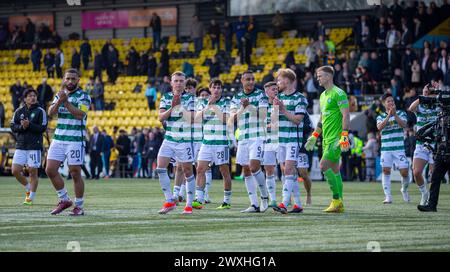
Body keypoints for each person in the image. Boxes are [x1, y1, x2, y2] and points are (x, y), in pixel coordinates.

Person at [45, 68, 91, 216]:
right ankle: (64, 199)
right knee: (50, 170)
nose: (70, 81)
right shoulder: (59, 94)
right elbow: (50, 113)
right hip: (58, 138)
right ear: (64, 79)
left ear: (78, 80)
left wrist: (65, 102)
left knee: (75, 172)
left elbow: (80, 115)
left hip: (75, 140)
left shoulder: (84, 96)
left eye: (73, 79)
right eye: (68, 78)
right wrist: (59, 101)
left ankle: (79, 206)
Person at [305, 65, 350, 213]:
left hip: (336, 139)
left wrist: (344, 135)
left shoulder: (339, 93)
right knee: (335, 171)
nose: (318, 78)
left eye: (320, 75)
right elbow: (323, 118)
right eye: (317, 76)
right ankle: (340, 203)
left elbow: (346, 115)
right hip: (326, 139)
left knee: (323, 166)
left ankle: (336, 199)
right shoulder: (323, 95)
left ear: (329, 77)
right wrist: (315, 135)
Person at [156, 71, 197, 215]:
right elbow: (160, 117)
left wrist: (179, 107)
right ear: (171, 83)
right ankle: (169, 201)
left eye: (181, 81)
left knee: (187, 171)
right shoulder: (166, 97)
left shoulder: (191, 99)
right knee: (160, 168)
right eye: (176, 81)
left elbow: (193, 118)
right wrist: (172, 107)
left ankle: (189, 205)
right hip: (169, 138)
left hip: (184, 140)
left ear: (185, 83)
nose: (179, 83)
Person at [230, 70, 269, 213]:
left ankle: (264, 196)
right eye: (248, 79)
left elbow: (264, 115)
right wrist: (243, 108)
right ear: (242, 80)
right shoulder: (236, 97)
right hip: (243, 137)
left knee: (253, 167)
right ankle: (254, 204)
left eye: (252, 79)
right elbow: (233, 118)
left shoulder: (260, 95)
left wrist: (250, 107)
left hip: (257, 136)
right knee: (246, 169)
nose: (251, 81)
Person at [271, 69, 308, 214]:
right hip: (280, 139)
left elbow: (298, 120)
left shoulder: (300, 98)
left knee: (288, 170)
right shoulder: (278, 98)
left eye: (279, 80)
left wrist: (283, 109)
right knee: (287, 171)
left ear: (287, 81)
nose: (277, 83)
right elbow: (274, 121)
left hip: (293, 139)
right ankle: (297, 204)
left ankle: (284, 203)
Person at [192, 79, 233, 210]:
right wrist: (208, 106)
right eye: (214, 87)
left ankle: (226, 201)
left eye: (219, 87)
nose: (216, 90)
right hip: (206, 142)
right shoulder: (202, 102)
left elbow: (226, 120)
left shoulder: (226, 102)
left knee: (224, 171)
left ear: (221, 89)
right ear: (210, 89)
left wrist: (214, 106)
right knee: (200, 169)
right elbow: (196, 119)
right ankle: (199, 199)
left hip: (221, 142)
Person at [10, 88, 47, 205]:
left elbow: (42, 128)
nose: (33, 98)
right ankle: (27, 187)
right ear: (25, 99)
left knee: (33, 172)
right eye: (30, 96)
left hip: (34, 146)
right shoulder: (18, 111)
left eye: (34, 96)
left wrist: (29, 125)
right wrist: (22, 127)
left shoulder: (41, 111)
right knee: (15, 171)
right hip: (21, 145)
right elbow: (12, 126)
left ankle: (30, 198)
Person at [408, 83, 439, 205]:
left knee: (433, 174)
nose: (426, 93)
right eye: (424, 91)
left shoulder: (437, 105)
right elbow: (410, 108)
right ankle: (424, 193)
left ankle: (431, 199)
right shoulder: (420, 106)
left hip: (435, 144)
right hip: (421, 143)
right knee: (416, 172)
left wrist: (436, 93)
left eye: (428, 92)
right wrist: (422, 97)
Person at [376, 93, 410, 204]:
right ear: (383, 104)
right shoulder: (380, 116)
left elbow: (403, 125)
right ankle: (388, 196)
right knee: (386, 171)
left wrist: (394, 115)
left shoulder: (401, 113)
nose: (391, 103)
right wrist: (388, 116)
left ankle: (404, 190)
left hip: (399, 148)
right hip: (386, 149)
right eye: (388, 101)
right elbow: (379, 127)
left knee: (404, 172)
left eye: (392, 101)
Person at [261, 82, 280, 208]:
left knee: (286, 169)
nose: (276, 91)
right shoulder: (262, 105)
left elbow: (277, 123)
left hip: (281, 140)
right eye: (273, 89)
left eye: (277, 89)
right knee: (269, 170)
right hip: (268, 142)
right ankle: (272, 199)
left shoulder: (282, 103)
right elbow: (262, 124)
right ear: (266, 91)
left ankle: (288, 198)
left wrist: (271, 125)